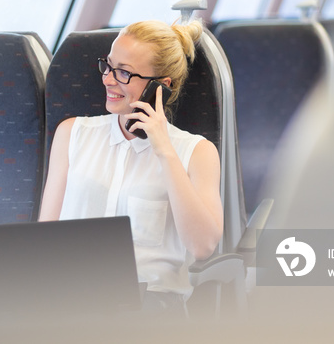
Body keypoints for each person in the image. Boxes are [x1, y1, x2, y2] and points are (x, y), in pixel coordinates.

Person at [39, 19, 223, 314]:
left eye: (124, 72)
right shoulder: (72, 134)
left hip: (149, 310)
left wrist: (164, 151)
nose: (108, 79)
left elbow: (203, 246)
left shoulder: (196, 152)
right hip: (71, 302)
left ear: (160, 86)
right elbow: (43, 240)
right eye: (108, 66)